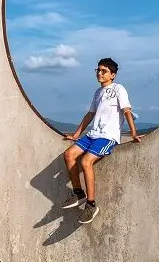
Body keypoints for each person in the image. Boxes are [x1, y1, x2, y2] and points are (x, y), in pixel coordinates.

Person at [59, 57, 141, 224]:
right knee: (69, 155)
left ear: (113, 75)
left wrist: (133, 133)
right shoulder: (98, 92)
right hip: (93, 134)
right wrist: (76, 135)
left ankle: (91, 205)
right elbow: (90, 114)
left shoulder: (119, 89)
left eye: (103, 71)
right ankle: (78, 193)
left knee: (86, 161)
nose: (99, 73)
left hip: (107, 136)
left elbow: (126, 111)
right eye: (98, 70)